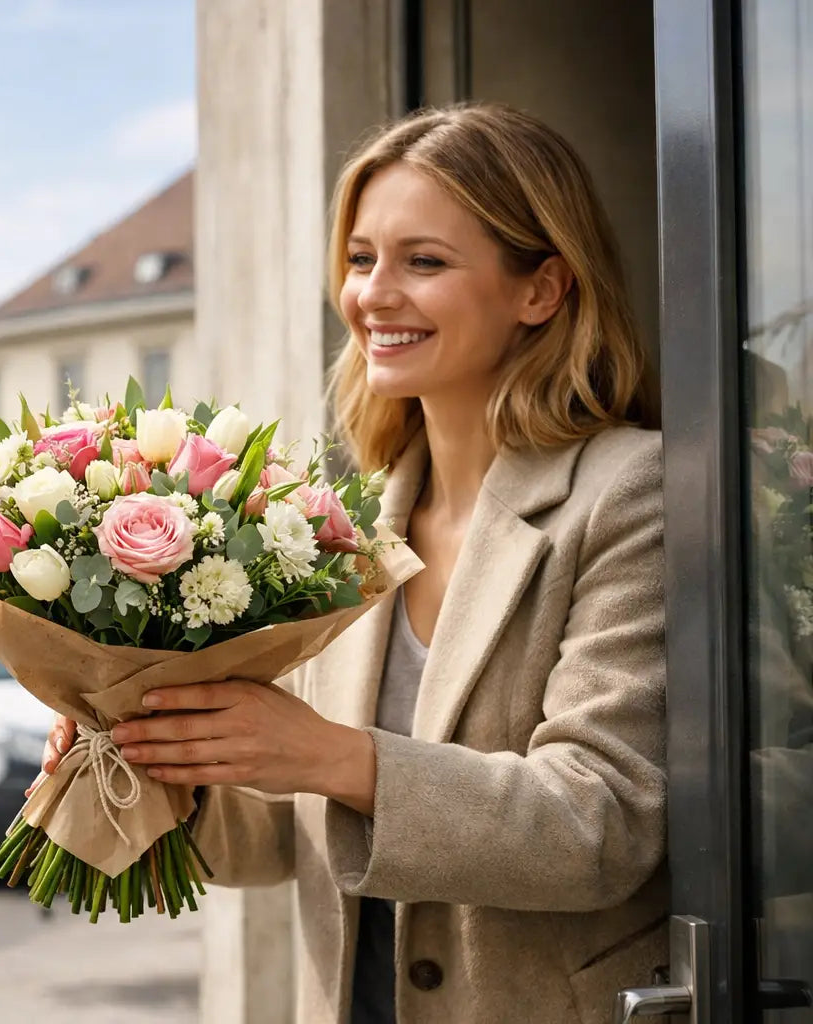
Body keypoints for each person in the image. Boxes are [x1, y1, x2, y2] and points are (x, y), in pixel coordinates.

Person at [40, 103, 667, 1023]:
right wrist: (164, 766)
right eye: (363, 257)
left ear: (541, 290)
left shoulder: (626, 492)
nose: (373, 294)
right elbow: (297, 833)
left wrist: (331, 755)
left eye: (425, 261)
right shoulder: (351, 524)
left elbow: (600, 824)